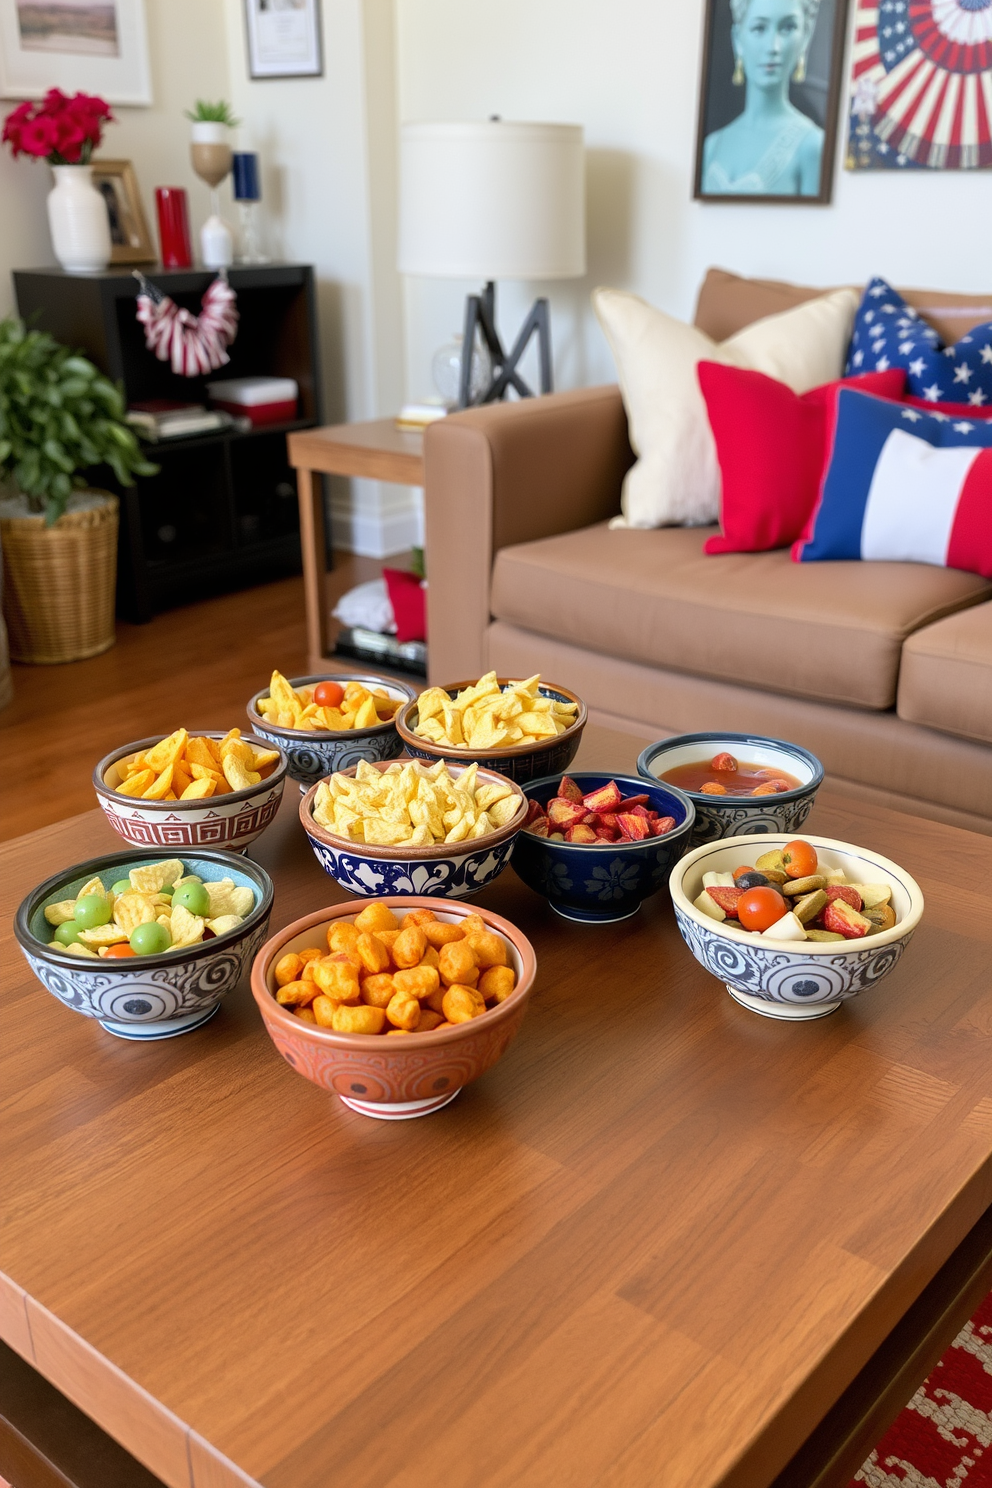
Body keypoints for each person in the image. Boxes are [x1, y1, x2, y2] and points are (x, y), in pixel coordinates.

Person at [702, 0, 823, 196]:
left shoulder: (812, 146)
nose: (773, 47)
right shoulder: (711, 146)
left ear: (806, 37)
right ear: (738, 39)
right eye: (759, 28)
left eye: (787, 28)